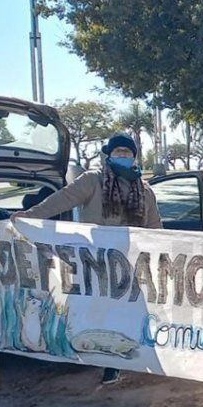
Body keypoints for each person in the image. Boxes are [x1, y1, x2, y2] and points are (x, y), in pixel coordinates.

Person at [14, 133, 162, 385]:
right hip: (93, 262)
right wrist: (31, 215)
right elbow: (62, 199)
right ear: (109, 154)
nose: (123, 156)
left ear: (134, 157)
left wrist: (164, 250)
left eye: (127, 152)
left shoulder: (144, 189)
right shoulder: (93, 181)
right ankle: (99, 361)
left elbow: (155, 226)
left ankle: (119, 363)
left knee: (127, 312)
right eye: (118, 152)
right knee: (95, 312)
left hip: (129, 263)